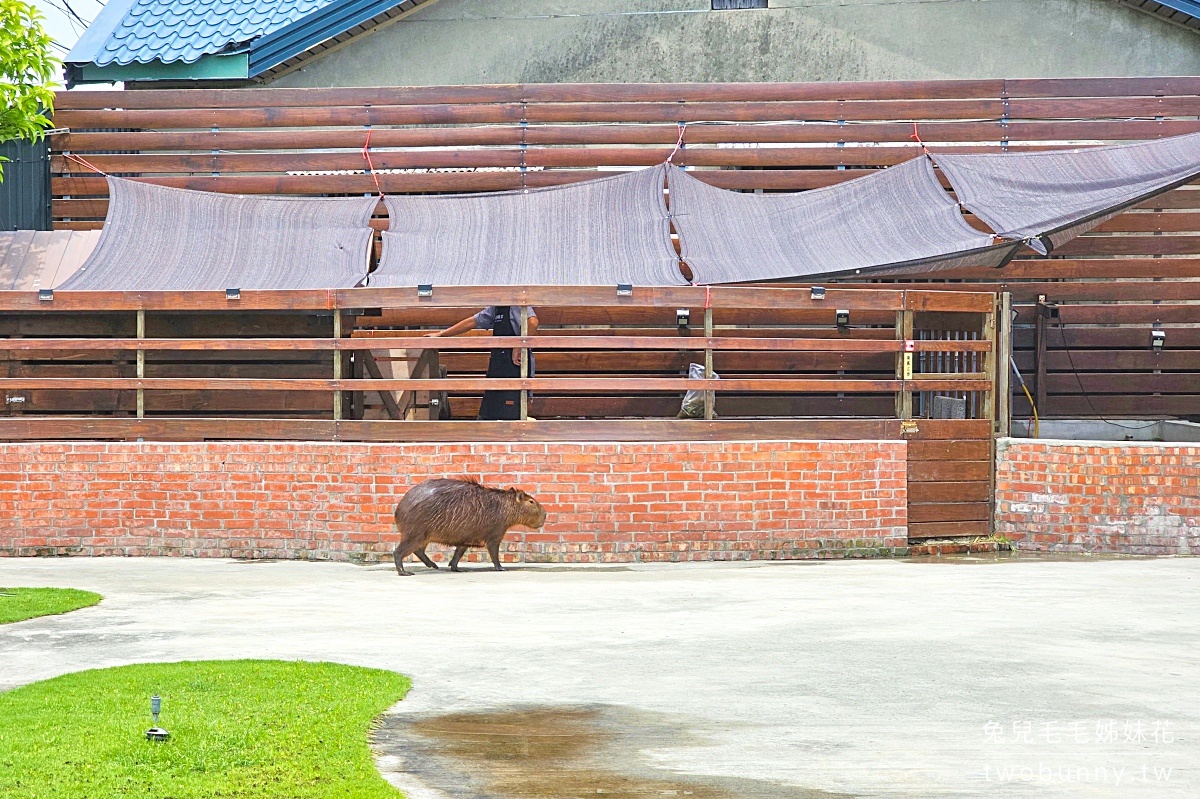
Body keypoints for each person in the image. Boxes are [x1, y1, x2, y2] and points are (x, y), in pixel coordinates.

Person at [428, 306, 537, 420]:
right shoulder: (495, 309)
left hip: (514, 368)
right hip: (497, 366)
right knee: (488, 415)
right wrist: (441, 334)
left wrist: (519, 345)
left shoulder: (516, 306)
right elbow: (473, 321)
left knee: (511, 417)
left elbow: (533, 322)